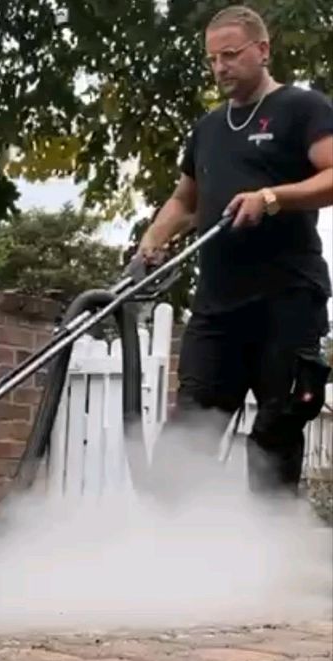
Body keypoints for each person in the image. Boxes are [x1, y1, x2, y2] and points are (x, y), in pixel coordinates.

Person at [139, 5, 333, 498]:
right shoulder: (207, 130)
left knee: (274, 437)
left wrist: (273, 198)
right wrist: (154, 238)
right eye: (212, 59)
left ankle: (271, 563)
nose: (220, 67)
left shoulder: (302, 108)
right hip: (217, 309)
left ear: (262, 50)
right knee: (186, 441)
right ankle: (168, 556)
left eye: (230, 55)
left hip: (287, 300)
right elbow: (185, 200)